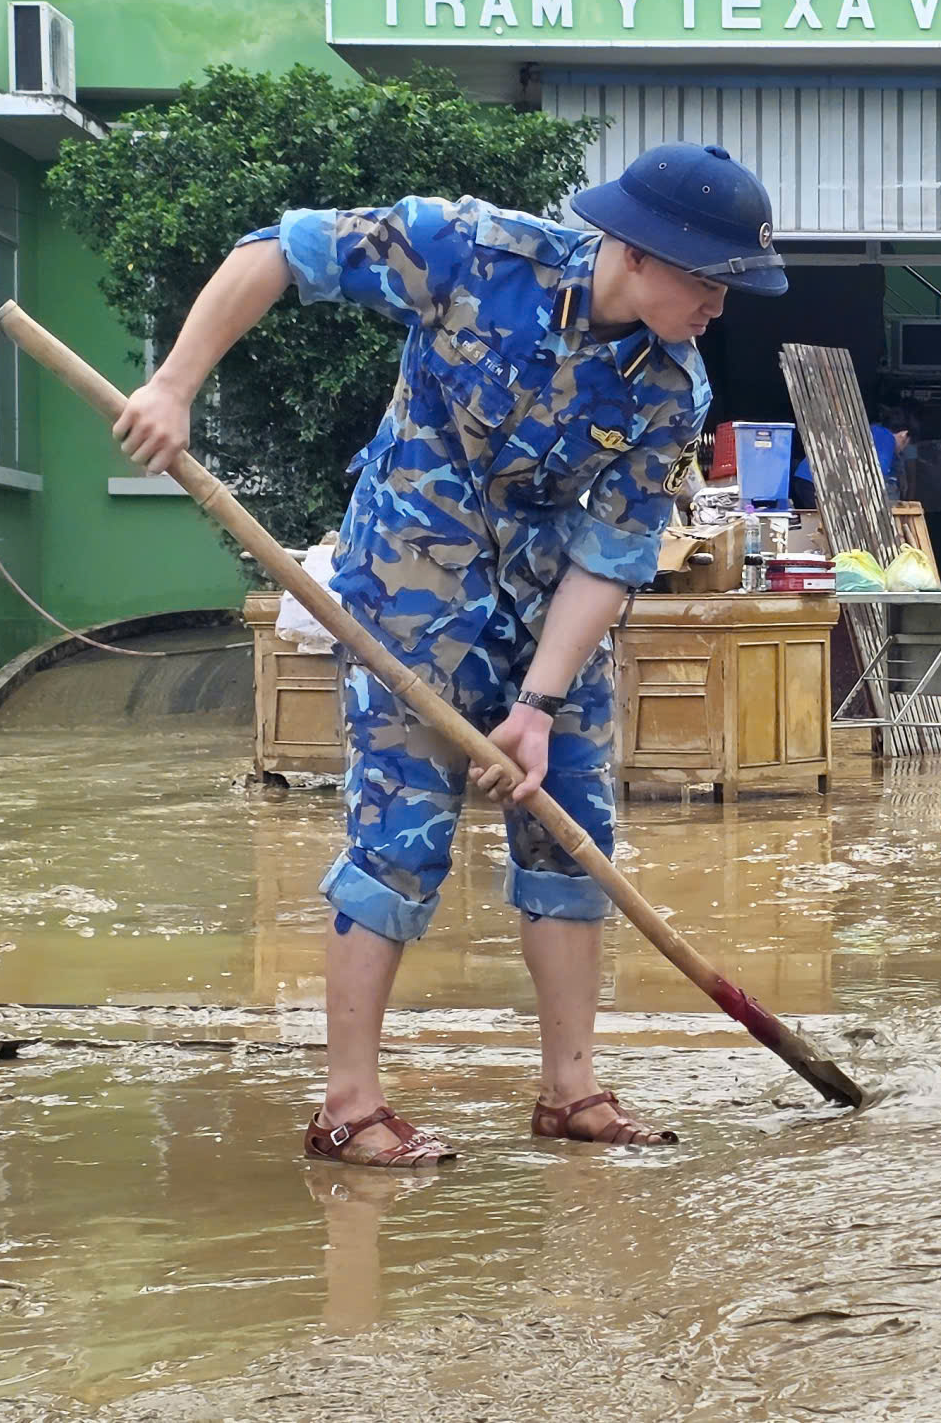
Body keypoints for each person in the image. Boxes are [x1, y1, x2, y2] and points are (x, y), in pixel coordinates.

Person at [110, 142, 786, 1165]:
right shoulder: (471, 251)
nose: (721, 308)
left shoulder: (668, 389)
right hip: (408, 606)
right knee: (400, 836)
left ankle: (570, 1093)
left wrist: (541, 706)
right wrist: (172, 386)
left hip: (545, 620)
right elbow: (278, 251)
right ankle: (348, 1106)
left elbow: (609, 555)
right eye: (714, 281)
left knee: (573, 834)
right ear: (645, 254)